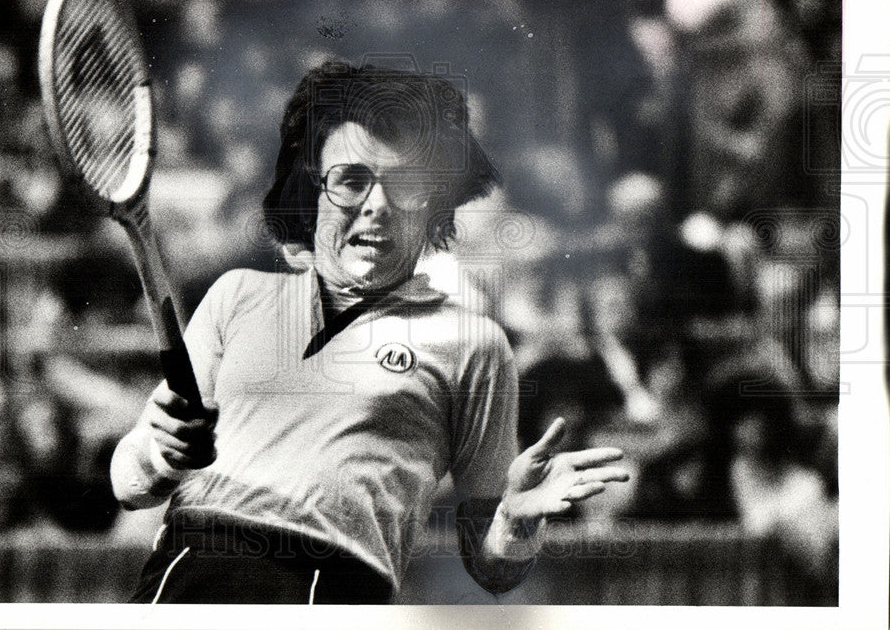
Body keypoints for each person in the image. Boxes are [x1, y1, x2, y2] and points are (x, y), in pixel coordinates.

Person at [110, 61, 629, 604]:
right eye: (352, 180)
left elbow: (494, 569)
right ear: (315, 191)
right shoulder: (236, 295)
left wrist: (517, 525)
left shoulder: (474, 345)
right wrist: (160, 456)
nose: (377, 205)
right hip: (182, 570)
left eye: (405, 185)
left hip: (332, 590)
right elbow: (128, 483)